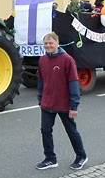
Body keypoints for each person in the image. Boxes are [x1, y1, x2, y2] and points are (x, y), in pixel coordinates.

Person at [36, 32, 88, 170]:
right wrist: (40, 98)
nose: (48, 46)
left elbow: (73, 83)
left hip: (64, 104)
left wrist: (74, 106)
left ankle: (81, 156)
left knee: (71, 131)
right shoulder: (42, 60)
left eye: (51, 43)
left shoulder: (67, 60)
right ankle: (50, 159)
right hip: (47, 103)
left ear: (57, 44)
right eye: (46, 43)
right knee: (45, 130)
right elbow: (41, 81)